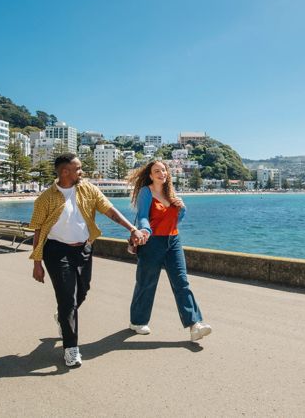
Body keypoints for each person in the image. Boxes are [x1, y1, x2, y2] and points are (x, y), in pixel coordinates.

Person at [29, 153, 143, 367]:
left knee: (83, 290)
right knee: (68, 299)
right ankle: (71, 349)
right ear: (65, 172)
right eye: (78, 168)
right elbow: (37, 231)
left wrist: (132, 228)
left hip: (83, 249)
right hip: (56, 252)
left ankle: (63, 316)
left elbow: (110, 210)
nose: (82, 172)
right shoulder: (45, 198)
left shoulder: (87, 189)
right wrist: (37, 263)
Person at [129, 160, 212, 341]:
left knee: (181, 282)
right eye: (157, 171)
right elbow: (143, 216)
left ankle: (195, 325)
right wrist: (145, 230)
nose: (162, 173)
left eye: (164, 170)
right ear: (150, 175)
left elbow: (175, 220)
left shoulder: (171, 193)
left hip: (173, 240)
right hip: (151, 242)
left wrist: (182, 209)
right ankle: (137, 321)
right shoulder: (146, 192)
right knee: (146, 283)